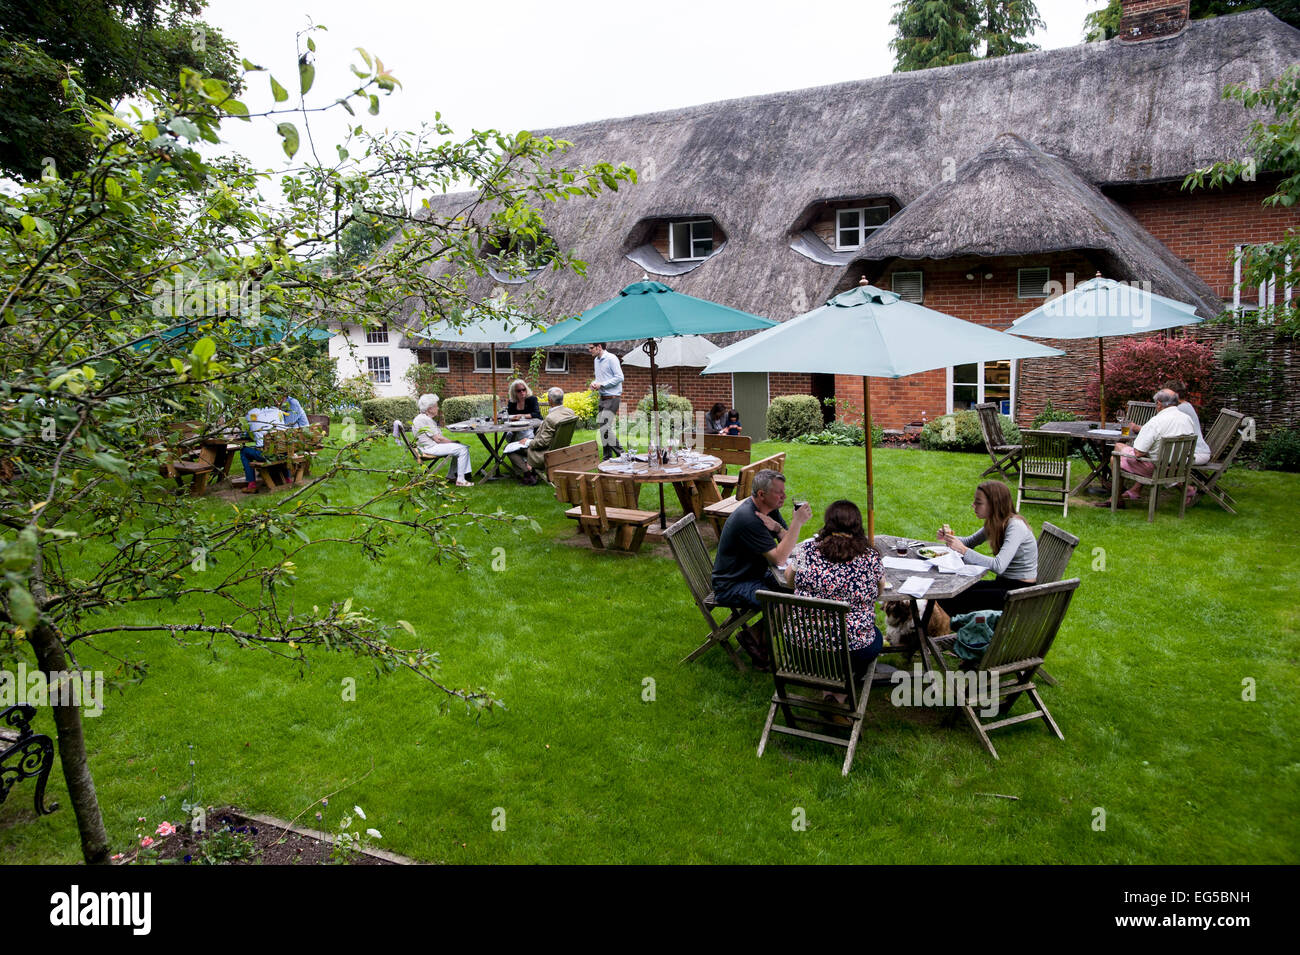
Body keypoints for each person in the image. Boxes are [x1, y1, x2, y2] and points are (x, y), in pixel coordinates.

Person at [712, 469, 813, 665]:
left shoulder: (768, 508)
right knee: (786, 601)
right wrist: (797, 522)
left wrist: (776, 527)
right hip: (732, 584)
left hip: (753, 574)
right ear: (761, 494)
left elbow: (785, 538)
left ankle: (755, 637)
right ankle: (758, 641)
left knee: (800, 590)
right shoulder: (749, 519)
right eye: (779, 492)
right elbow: (780, 558)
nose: (784, 496)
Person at [783, 500, 885, 679]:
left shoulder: (807, 551)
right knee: (875, 636)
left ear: (828, 523)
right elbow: (879, 589)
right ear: (857, 526)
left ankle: (832, 686)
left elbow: (790, 581)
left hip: (800, 648)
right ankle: (842, 686)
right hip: (852, 652)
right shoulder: (870, 558)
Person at [935, 480, 1037, 615]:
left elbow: (999, 565)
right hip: (1004, 584)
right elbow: (969, 541)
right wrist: (949, 537)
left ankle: (951, 631)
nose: (973, 505)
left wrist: (963, 550)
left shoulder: (1015, 526)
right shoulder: (995, 522)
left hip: (1018, 592)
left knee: (955, 597)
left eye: (979, 502)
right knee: (951, 591)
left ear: (994, 504)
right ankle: (945, 630)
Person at [1111, 388, 1196, 507]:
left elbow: (1139, 453)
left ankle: (1115, 499)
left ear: (1159, 404)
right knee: (1124, 450)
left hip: (1156, 469)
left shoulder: (1156, 422)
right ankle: (1130, 492)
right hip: (1178, 468)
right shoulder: (1187, 419)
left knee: (1117, 452)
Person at [505, 387, 576, 485]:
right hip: (561, 450)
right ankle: (532, 472)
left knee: (509, 448)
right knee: (522, 443)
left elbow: (542, 442)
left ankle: (528, 475)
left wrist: (527, 441)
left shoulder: (551, 418)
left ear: (550, 400)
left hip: (545, 454)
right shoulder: (570, 412)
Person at [413, 393, 474, 487]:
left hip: (425, 447)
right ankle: (461, 479)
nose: (438, 408)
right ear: (430, 409)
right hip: (429, 448)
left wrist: (453, 443)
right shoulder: (425, 420)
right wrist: (452, 442)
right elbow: (438, 439)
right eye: (436, 406)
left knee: (460, 447)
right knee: (462, 449)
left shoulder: (421, 418)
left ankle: (452, 475)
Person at [239, 400, 287, 494]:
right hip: (284, 452)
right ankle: (288, 478)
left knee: (244, 451)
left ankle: (251, 484)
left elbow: (246, 434)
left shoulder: (251, 413)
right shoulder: (278, 411)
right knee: (277, 449)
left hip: (266, 454)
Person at [587, 342, 624, 459]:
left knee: (605, 428)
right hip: (602, 398)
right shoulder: (596, 361)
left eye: (591, 348)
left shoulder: (611, 358)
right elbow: (601, 379)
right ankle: (607, 458)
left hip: (612, 398)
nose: (589, 350)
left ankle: (622, 454)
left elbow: (619, 377)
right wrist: (594, 383)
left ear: (599, 347)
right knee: (603, 430)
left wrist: (602, 384)